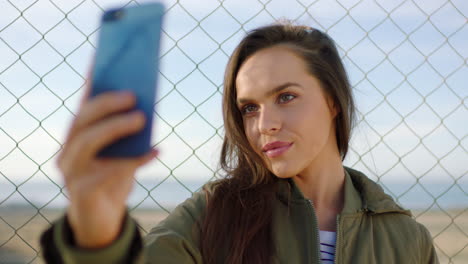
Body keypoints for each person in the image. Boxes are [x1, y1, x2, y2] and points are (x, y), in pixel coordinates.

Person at [40, 22, 439, 264]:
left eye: (286, 97)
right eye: (249, 108)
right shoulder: (216, 213)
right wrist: (95, 231)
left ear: (333, 101)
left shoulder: (406, 238)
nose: (264, 124)